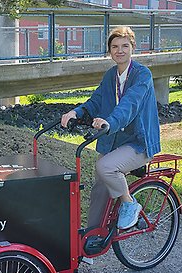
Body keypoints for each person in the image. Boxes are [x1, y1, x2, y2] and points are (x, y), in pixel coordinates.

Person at [61, 26, 161, 231]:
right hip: (113, 141)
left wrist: (110, 122)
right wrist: (75, 113)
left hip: (138, 142)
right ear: (109, 51)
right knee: (99, 189)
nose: (119, 50)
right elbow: (95, 101)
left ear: (133, 48)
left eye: (125, 46)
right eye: (114, 46)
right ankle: (92, 236)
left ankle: (129, 203)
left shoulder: (142, 75)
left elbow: (130, 103)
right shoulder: (110, 76)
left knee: (105, 167)